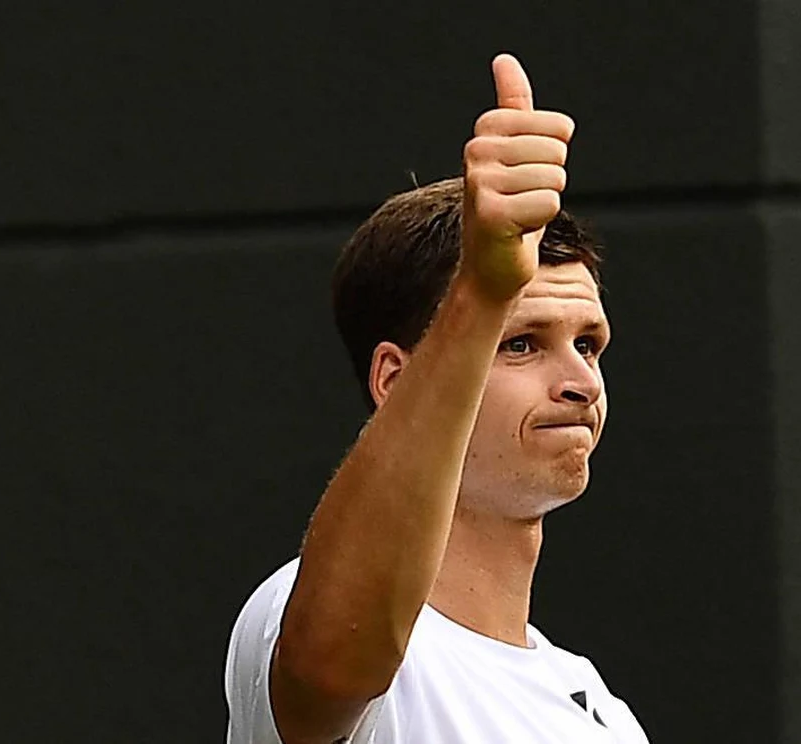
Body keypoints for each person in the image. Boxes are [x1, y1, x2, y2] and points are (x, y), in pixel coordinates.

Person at [224, 52, 650, 744]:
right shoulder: (298, 610)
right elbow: (333, 668)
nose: (580, 380)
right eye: (522, 343)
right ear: (394, 379)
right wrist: (483, 291)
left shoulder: (603, 713)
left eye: (589, 344)